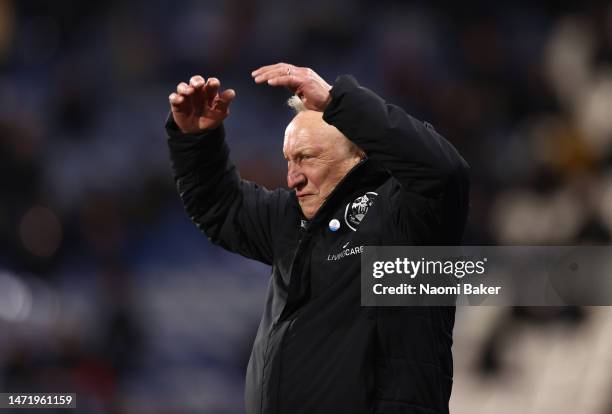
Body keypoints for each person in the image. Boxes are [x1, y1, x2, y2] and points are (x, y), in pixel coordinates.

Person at [165, 63, 470, 414]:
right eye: (288, 161)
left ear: (358, 154)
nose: (293, 178)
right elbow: (221, 207)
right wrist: (197, 140)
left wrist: (338, 101)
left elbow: (445, 173)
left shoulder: (405, 218)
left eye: (306, 158)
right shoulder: (291, 220)